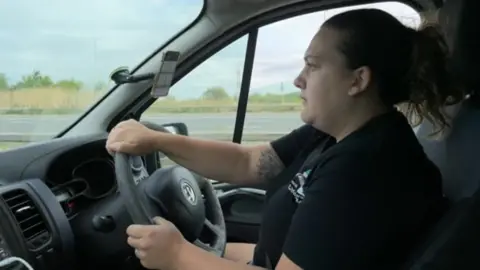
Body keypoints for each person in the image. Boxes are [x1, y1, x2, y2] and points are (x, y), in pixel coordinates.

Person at [106, 8, 463, 270]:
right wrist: (159, 141)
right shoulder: (336, 134)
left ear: (358, 80)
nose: (298, 80)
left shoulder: (367, 169)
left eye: (313, 65)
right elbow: (251, 162)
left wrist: (179, 256)